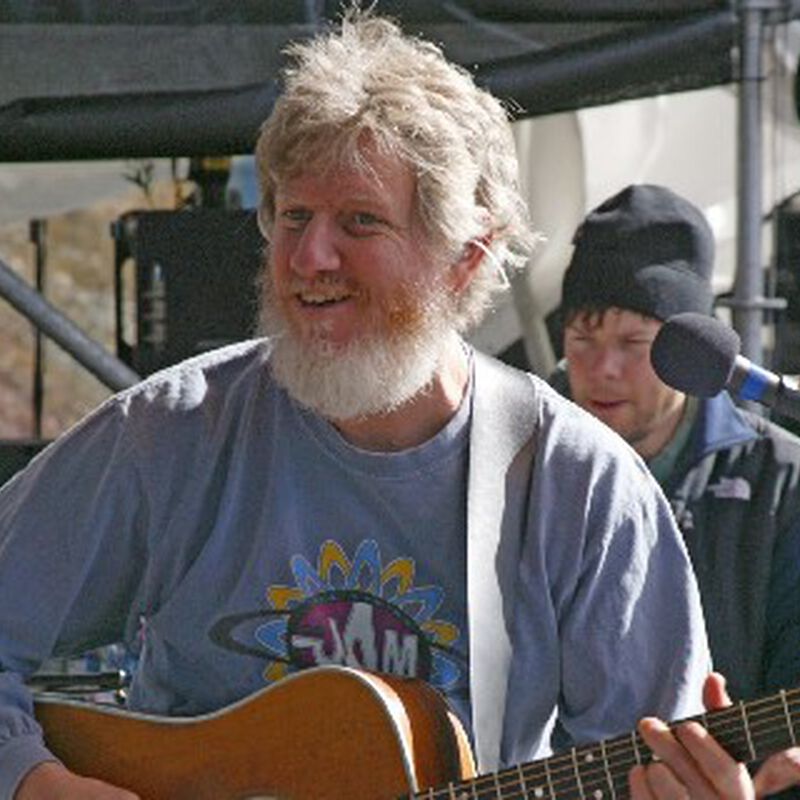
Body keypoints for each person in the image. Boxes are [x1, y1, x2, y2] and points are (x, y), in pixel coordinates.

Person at [0, 13, 712, 799]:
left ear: (462, 259)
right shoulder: (174, 435)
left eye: (359, 221)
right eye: (293, 215)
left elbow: (656, 758)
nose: (308, 259)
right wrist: (35, 781)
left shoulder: (580, 488)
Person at [552, 183, 800, 797]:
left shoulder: (781, 480)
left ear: (691, 352)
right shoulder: (514, 456)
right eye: (583, 337)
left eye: (636, 344)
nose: (604, 368)